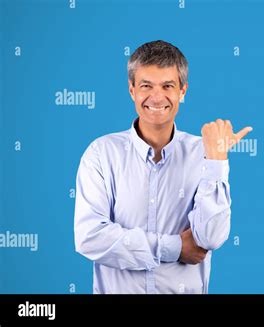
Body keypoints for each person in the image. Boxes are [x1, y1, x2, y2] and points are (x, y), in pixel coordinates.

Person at [74, 40, 252, 294]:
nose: (157, 97)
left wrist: (217, 159)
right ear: (132, 90)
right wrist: (176, 247)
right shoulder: (101, 154)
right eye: (146, 85)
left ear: (182, 91)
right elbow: (89, 237)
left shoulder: (205, 153)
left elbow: (211, 237)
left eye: (168, 85)